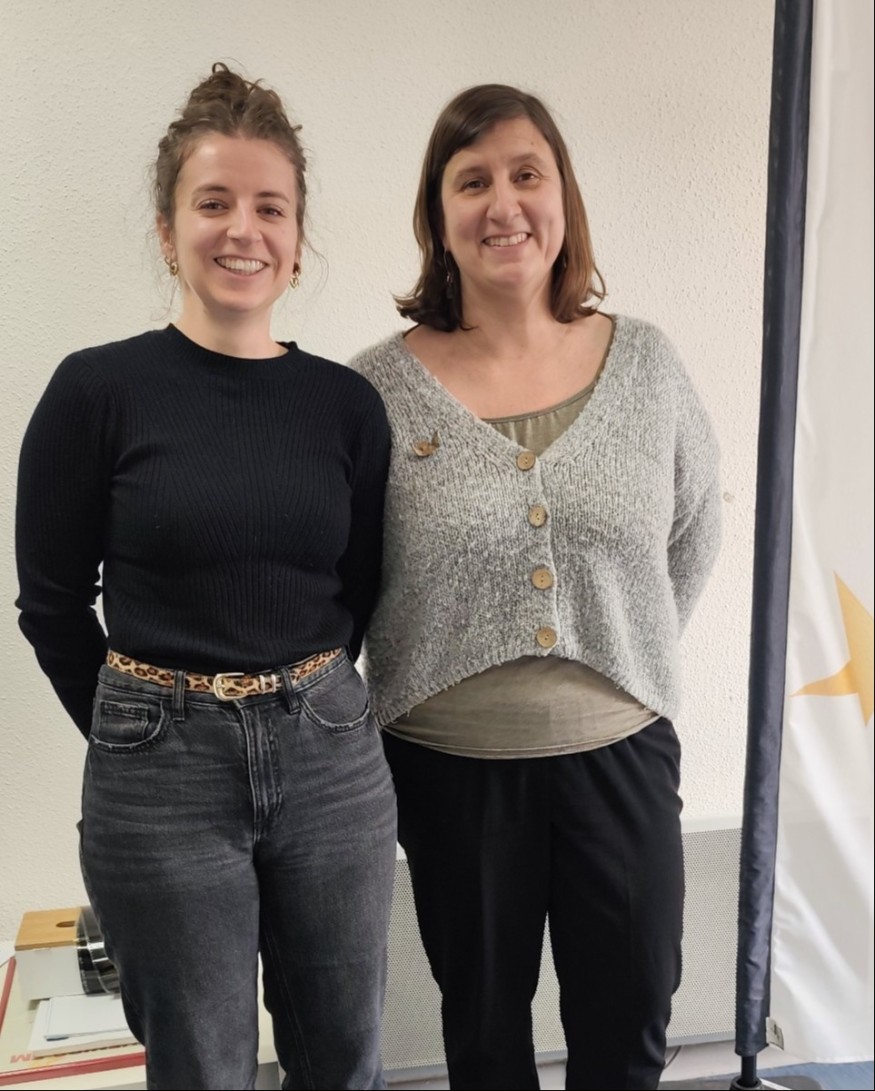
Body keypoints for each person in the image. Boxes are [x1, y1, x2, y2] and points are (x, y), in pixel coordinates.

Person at [15, 63, 397, 1091]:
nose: (242, 230)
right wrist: (138, 728)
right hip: (160, 774)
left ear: (297, 237)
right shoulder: (96, 391)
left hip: (329, 758)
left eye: (269, 207)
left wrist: (298, 696)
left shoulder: (346, 407)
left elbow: (359, 587)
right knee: (201, 1068)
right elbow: (51, 602)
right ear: (166, 227)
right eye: (213, 201)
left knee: (345, 1059)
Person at [351, 84, 721, 1091]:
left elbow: (693, 529)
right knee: (482, 1040)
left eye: (526, 174)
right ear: (437, 216)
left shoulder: (645, 362)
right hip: (447, 774)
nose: (503, 203)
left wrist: (620, 649)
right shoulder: (373, 392)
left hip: (621, 754)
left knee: (629, 1024)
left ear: (563, 198)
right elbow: (346, 578)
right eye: (471, 181)